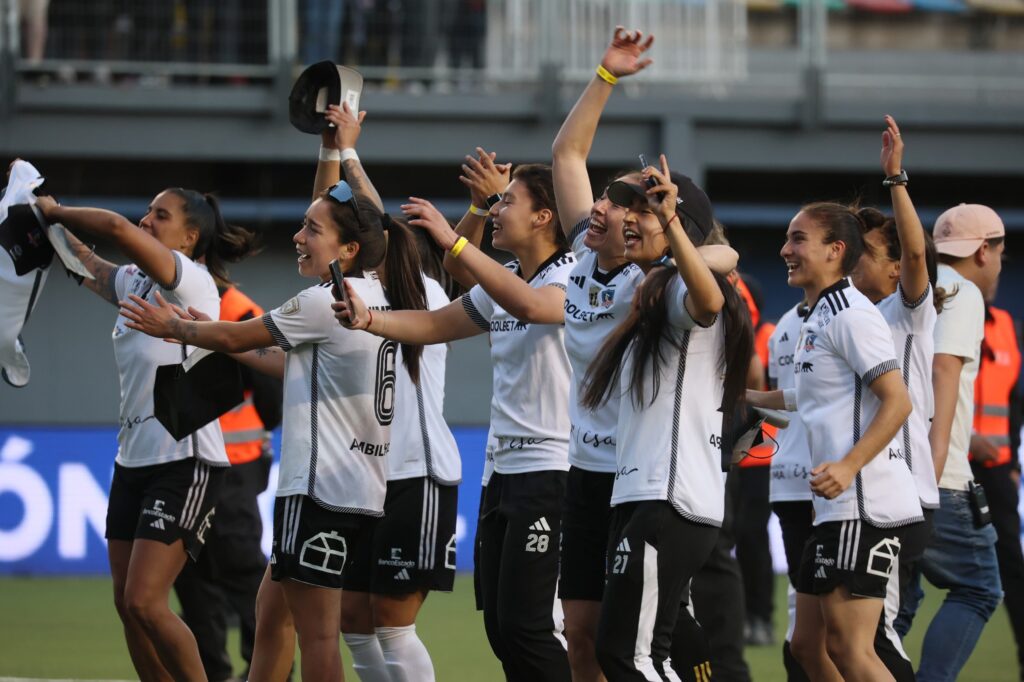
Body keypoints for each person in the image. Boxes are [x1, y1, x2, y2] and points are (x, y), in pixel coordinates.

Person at [119, 154, 429, 682]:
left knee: (318, 637)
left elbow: (241, 333)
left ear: (348, 249)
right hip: (359, 489)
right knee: (271, 617)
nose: (298, 237)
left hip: (316, 493)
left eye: (312, 229)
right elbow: (283, 361)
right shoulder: (380, 296)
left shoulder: (326, 300)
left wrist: (178, 327)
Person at [334, 163, 577, 681]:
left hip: (554, 471)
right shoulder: (507, 280)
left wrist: (454, 236)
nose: (496, 209)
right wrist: (369, 319)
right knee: (502, 630)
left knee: (532, 628)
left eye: (506, 202)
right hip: (500, 473)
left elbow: (535, 307)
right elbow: (433, 324)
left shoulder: (574, 275)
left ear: (543, 217)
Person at [550, 27, 738, 682]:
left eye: (633, 204)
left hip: (648, 474)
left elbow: (725, 259)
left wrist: (673, 248)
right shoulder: (585, 258)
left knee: (638, 641)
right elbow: (567, 155)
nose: (615, 210)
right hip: (592, 467)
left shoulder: (652, 277)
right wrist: (604, 77)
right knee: (583, 634)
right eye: (615, 198)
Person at [35, 187, 259, 680]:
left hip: (186, 462)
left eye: (161, 216)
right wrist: (40, 217)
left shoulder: (191, 282)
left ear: (190, 236)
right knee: (127, 606)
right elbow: (86, 261)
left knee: (145, 601)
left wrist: (55, 210)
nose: (145, 221)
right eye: (148, 212)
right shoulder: (135, 282)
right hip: (132, 462)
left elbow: (113, 229)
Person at [580, 156, 753, 680]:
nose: (630, 217)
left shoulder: (679, 286)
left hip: (666, 498)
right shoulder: (655, 285)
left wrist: (674, 224)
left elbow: (706, 299)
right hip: (647, 498)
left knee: (628, 656)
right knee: (658, 648)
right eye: (629, 206)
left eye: (647, 210)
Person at [316, 103, 463, 682]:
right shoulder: (350, 296)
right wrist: (340, 151)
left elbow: (365, 219)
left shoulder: (425, 293)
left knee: (392, 624)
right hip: (366, 479)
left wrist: (347, 152)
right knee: (355, 620)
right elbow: (343, 215)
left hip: (416, 474)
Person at [747, 200, 921, 682]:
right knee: (808, 645)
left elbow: (897, 401)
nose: (785, 249)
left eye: (798, 239)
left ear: (836, 250)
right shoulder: (818, 314)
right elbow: (808, 395)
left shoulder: (850, 314)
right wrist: (737, 397)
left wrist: (847, 466)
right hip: (832, 507)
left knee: (850, 648)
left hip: (861, 504)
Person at [849, 115, 945, 680]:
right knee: (840, 640)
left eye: (864, 252)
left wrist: (896, 179)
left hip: (898, 495)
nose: (853, 259)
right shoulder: (843, 319)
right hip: (856, 494)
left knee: (872, 639)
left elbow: (916, 255)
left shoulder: (906, 313)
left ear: (892, 269)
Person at [895, 202, 1006, 682]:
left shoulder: (914, 292)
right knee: (980, 588)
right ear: (985, 251)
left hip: (893, 468)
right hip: (939, 478)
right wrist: (934, 470)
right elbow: (943, 368)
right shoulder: (963, 293)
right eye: (1001, 253)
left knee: (897, 608)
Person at [173, 283, 283, 682]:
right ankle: (212, 672)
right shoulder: (231, 306)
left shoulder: (239, 311)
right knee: (192, 573)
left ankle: (267, 671)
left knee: (235, 567)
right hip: (192, 462)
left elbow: (271, 394)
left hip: (232, 464)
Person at [970, 301, 1024, 680]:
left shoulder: (1004, 324)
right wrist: (966, 439)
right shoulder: (936, 314)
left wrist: (1014, 465)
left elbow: (1011, 400)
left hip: (998, 470)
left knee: (1013, 568)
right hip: (948, 465)